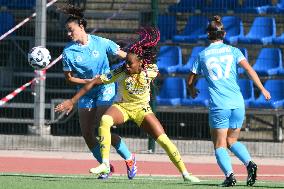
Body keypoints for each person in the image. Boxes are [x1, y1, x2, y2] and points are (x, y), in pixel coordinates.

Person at [55, 27, 200, 183]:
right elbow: (92, 83)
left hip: (142, 109)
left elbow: (159, 74)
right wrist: (72, 100)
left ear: (141, 63)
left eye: (130, 63)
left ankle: (185, 174)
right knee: (104, 121)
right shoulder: (120, 71)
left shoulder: (151, 70)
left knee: (164, 140)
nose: (127, 66)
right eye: (126, 62)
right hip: (122, 107)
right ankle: (105, 164)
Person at [187, 15, 271, 187]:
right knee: (232, 141)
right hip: (238, 103)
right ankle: (250, 164)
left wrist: (192, 90)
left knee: (219, 144)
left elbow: (190, 80)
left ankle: (230, 176)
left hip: (219, 105)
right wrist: (262, 89)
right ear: (223, 34)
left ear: (207, 35)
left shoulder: (202, 55)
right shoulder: (234, 51)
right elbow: (249, 70)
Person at [57, 4, 137, 179]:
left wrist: (141, 64)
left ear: (81, 27)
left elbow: (126, 57)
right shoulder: (68, 52)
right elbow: (69, 78)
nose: (69, 34)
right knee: (87, 133)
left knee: (103, 127)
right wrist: (87, 81)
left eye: (71, 30)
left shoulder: (102, 42)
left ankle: (129, 158)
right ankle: (105, 166)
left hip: (106, 87)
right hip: (86, 91)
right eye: (67, 31)